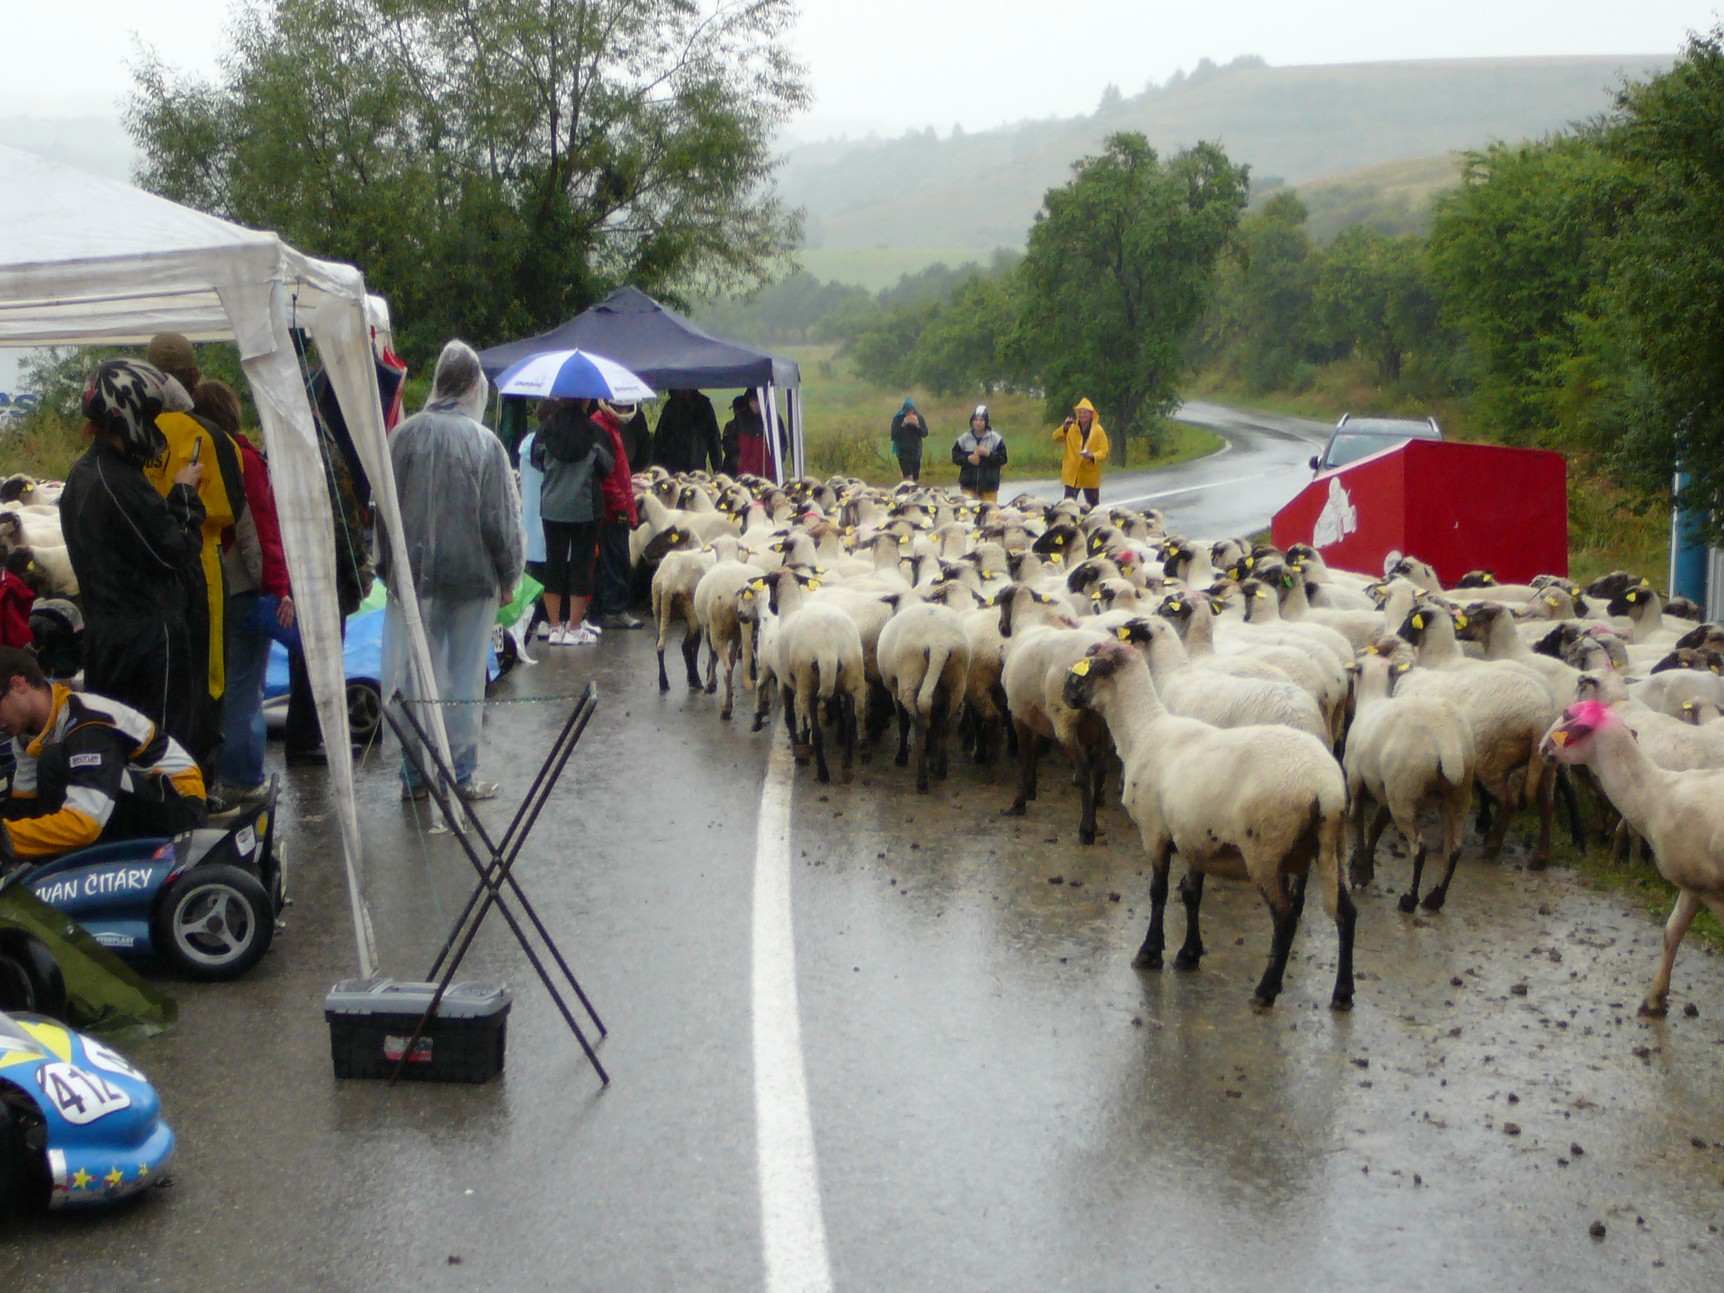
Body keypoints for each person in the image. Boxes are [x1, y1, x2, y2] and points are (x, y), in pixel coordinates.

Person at [378, 341, 523, 802]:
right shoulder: (486, 446)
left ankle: (414, 775)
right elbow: (500, 520)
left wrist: (385, 566)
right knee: (463, 678)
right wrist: (509, 577)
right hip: (470, 580)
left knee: (415, 674)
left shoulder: (402, 437)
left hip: (413, 577)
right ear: (474, 385)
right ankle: (459, 774)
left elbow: (383, 509)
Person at [60, 359, 207, 752]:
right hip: (145, 642)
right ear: (128, 417)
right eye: (152, 416)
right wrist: (185, 493)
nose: (157, 427)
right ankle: (170, 812)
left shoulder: (83, 474)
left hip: (109, 638)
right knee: (159, 752)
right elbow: (176, 550)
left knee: (115, 751)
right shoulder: (117, 481)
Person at [144, 333, 247, 769]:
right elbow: (229, 510)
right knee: (208, 676)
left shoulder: (132, 433)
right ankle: (198, 778)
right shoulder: (209, 435)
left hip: (146, 570)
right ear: (193, 375)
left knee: (161, 677)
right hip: (199, 566)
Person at [0, 646, 205, 862]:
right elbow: (22, 811)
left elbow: (85, 824)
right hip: (132, 799)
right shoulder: (28, 738)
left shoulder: (89, 723)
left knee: (55, 760)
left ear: (18, 685)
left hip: (180, 809)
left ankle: (71, 868)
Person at [196, 379, 296, 807]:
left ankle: (222, 770)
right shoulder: (242, 458)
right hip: (244, 589)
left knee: (225, 685)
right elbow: (261, 530)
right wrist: (279, 588)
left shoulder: (193, 456)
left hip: (210, 586)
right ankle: (241, 775)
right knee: (245, 689)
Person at [531, 397, 612, 646]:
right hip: (585, 507)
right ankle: (575, 628)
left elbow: (536, 460)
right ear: (586, 401)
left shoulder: (545, 430)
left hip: (552, 506)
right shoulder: (595, 432)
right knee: (581, 564)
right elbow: (607, 465)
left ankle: (555, 627)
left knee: (553, 564)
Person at [591, 401, 643, 630]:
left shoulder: (611, 427)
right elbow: (606, 474)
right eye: (619, 407)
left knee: (615, 558)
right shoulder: (600, 427)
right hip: (610, 510)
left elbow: (619, 470)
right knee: (615, 559)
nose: (623, 411)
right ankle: (614, 609)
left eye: (625, 407)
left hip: (617, 504)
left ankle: (605, 609)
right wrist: (621, 505)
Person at [1054, 397, 1110, 508]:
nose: (1082, 415)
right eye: (1080, 412)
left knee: (1093, 506)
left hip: (1090, 474)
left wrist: (1092, 456)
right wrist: (1064, 427)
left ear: (1091, 414)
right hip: (1072, 475)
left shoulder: (1098, 430)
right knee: (1068, 506)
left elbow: (1104, 451)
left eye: (1085, 412)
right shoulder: (1071, 428)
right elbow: (1056, 437)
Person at [652, 388, 722, 474]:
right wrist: (655, 468)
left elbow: (714, 439)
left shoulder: (704, 406)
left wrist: (717, 469)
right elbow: (660, 439)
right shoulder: (671, 406)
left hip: (696, 466)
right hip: (673, 467)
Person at [952, 405, 1008, 501]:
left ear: (986, 422)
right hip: (968, 487)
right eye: (975, 420)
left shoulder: (995, 439)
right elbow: (955, 456)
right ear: (972, 421)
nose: (978, 423)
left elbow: (1003, 459)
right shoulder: (964, 438)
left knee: (990, 514)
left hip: (989, 488)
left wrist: (988, 454)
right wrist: (968, 459)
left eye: (981, 420)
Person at [722, 390, 773, 478]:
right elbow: (728, 446)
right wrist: (738, 460)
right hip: (742, 473)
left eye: (757, 401)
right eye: (751, 402)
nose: (754, 405)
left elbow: (781, 445)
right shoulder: (737, 423)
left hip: (766, 473)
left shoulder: (772, 420)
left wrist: (774, 462)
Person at [890, 398, 929, 482]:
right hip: (902, 452)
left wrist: (917, 426)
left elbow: (925, 433)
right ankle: (906, 492)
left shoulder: (919, 418)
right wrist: (903, 425)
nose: (909, 414)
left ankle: (915, 493)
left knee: (915, 479)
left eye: (911, 411)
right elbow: (893, 436)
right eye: (907, 411)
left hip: (916, 452)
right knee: (908, 478)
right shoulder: (898, 419)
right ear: (904, 411)